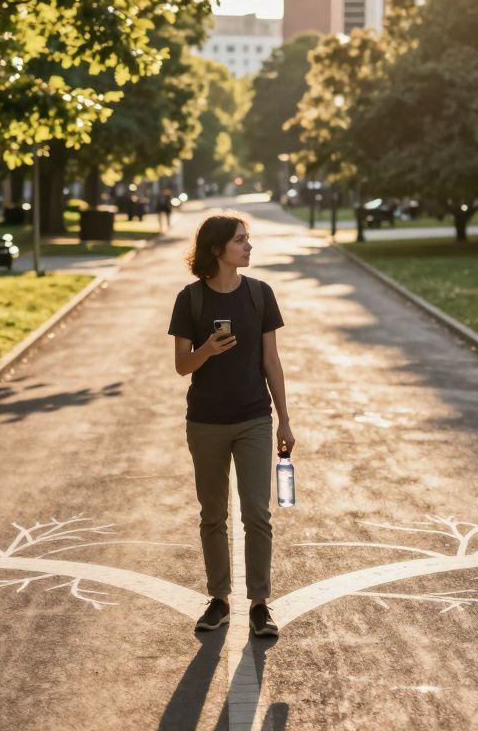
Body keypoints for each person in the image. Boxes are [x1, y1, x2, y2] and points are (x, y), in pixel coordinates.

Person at [167, 215, 295, 638]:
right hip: (205, 422)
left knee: (257, 513)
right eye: (241, 241)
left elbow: (270, 362)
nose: (248, 247)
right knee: (213, 514)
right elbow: (182, 366)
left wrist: (285, 419)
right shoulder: (191, 300)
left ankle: (260, 603)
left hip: (255, 419)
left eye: (248, 240)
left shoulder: (259, 295)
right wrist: (205, 349)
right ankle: (219, 599)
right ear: (218, 249)